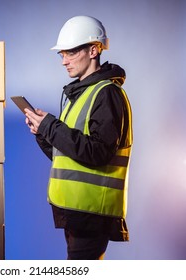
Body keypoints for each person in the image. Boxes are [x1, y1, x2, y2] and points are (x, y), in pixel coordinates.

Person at [24, 15, 133, 260]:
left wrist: (51, 126)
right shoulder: (81, 94)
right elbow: (66, 155)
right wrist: (43, 132)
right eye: (61, 54)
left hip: (91, 213)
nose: (64, 61)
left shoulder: (107, 95)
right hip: (77, 212)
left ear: (94, 50)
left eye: (70, 53)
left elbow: (98, 152)